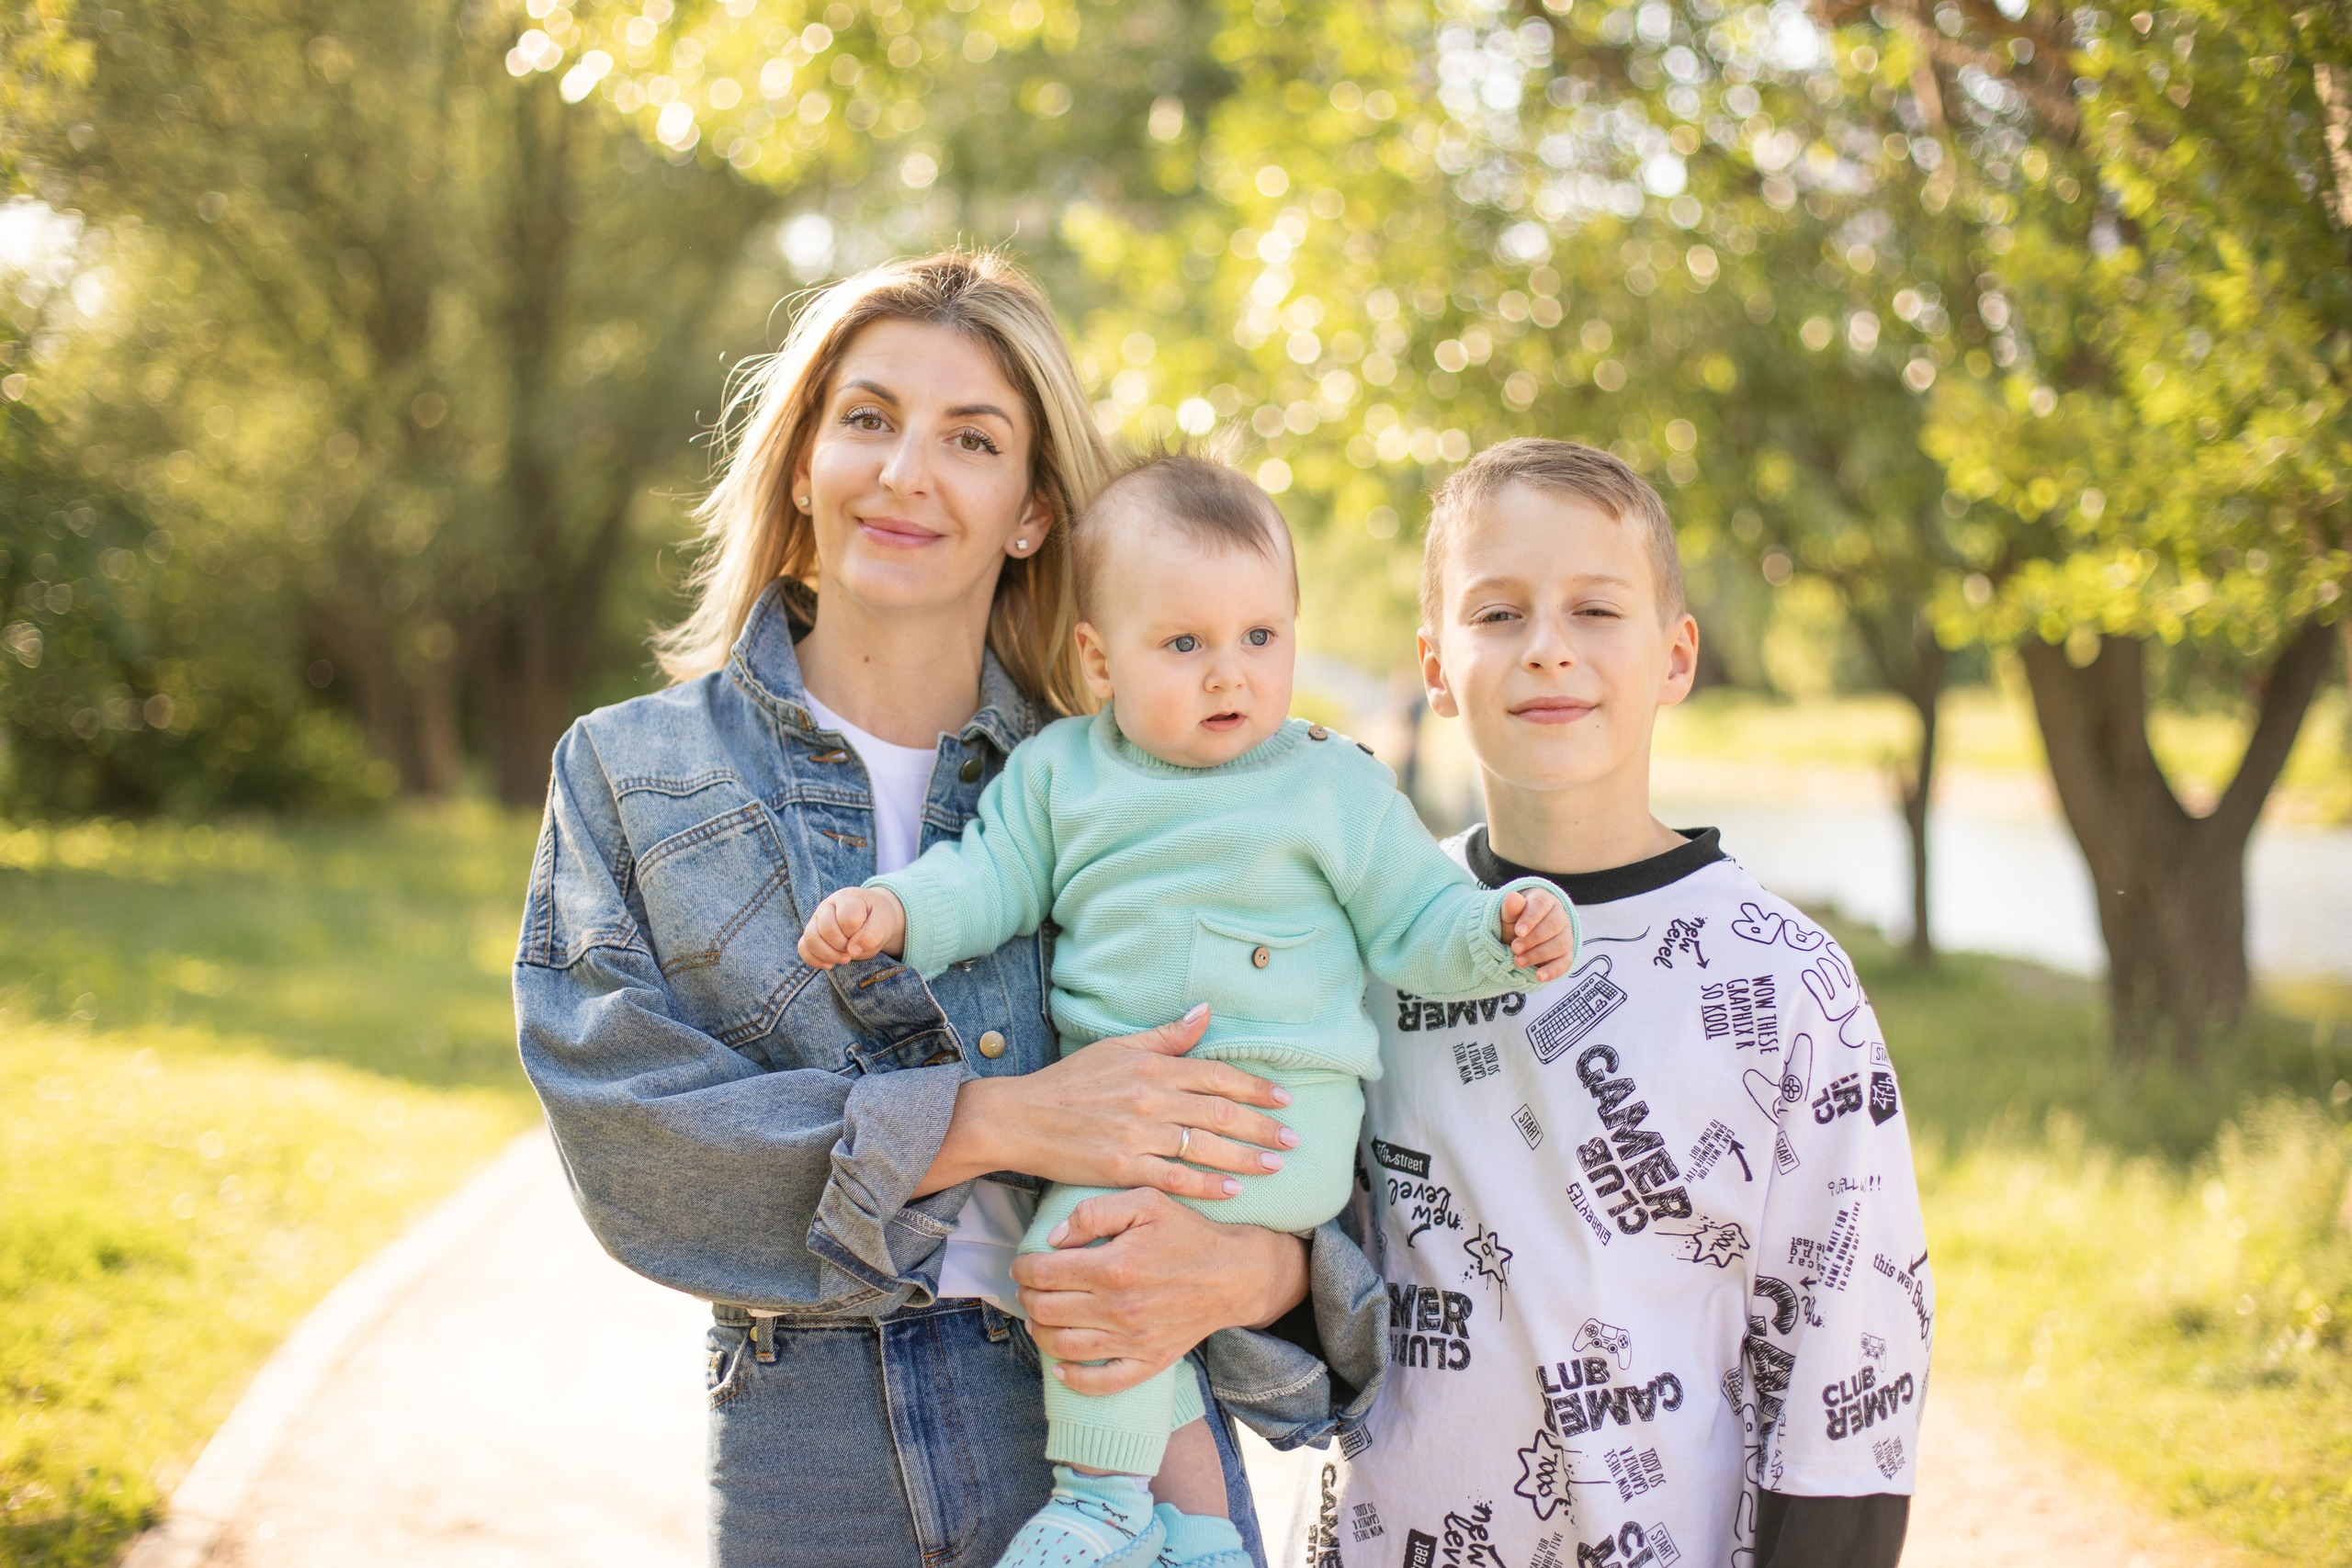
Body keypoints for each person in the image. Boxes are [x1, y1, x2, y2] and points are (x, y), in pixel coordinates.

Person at [514, 253, 1354, 1568]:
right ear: (803, 464)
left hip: (1116, 1431)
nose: (908, 470)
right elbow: (628, 1137)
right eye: (868, 418)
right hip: (810, 1439)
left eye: (972, 439)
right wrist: (999, 1118)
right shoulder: (630, 772)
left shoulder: (1153, 776)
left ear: (1031, 512)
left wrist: (1262, 1274)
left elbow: (1354, 1109)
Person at [797, 453, 1577, 1568]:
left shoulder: (1327, 782)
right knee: (1118, 1272)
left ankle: (1103, 1500)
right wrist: (891, 910)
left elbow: (1420, 920)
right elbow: (987, 877)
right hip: (1123, 1118)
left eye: (1261, 638)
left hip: (1275, 1119)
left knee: (1082, 1251)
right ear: (1097, 659)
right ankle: (1203, 1534)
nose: (1230, 677)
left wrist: (1503, 933)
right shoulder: (1062, 776)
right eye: (1186, 646)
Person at [1296, 440, 1929, 1568]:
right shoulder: (1365, 941)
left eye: (1595, 609)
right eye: (1496, 615)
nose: (1547, 650)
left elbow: (1848, 1373)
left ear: (1674, 657)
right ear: (1435, 667)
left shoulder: (1788, 982)